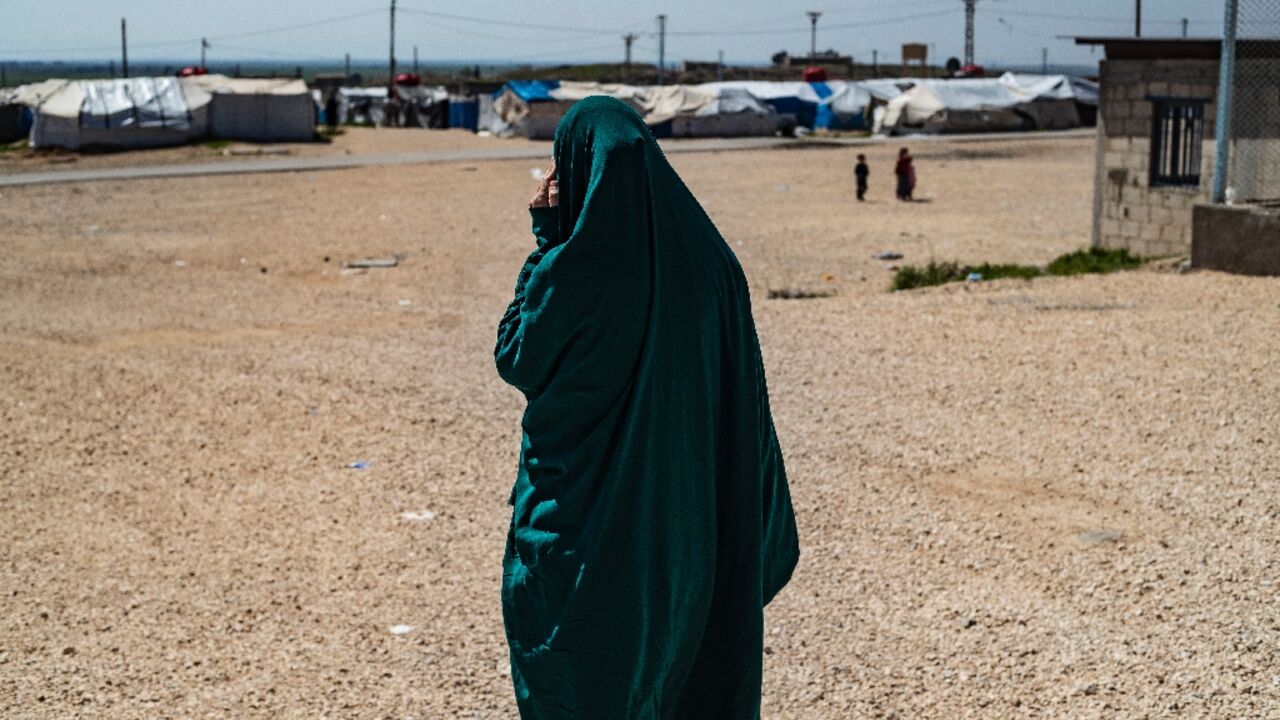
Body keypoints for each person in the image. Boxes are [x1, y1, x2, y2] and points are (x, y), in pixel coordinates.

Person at [495, 96, 800, 719]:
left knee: (585, 677)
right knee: (681, 665)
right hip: (689, 528)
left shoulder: (570, 268)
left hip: (586, 534)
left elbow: (516, 356)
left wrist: (545, 239)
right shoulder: (716, 264)